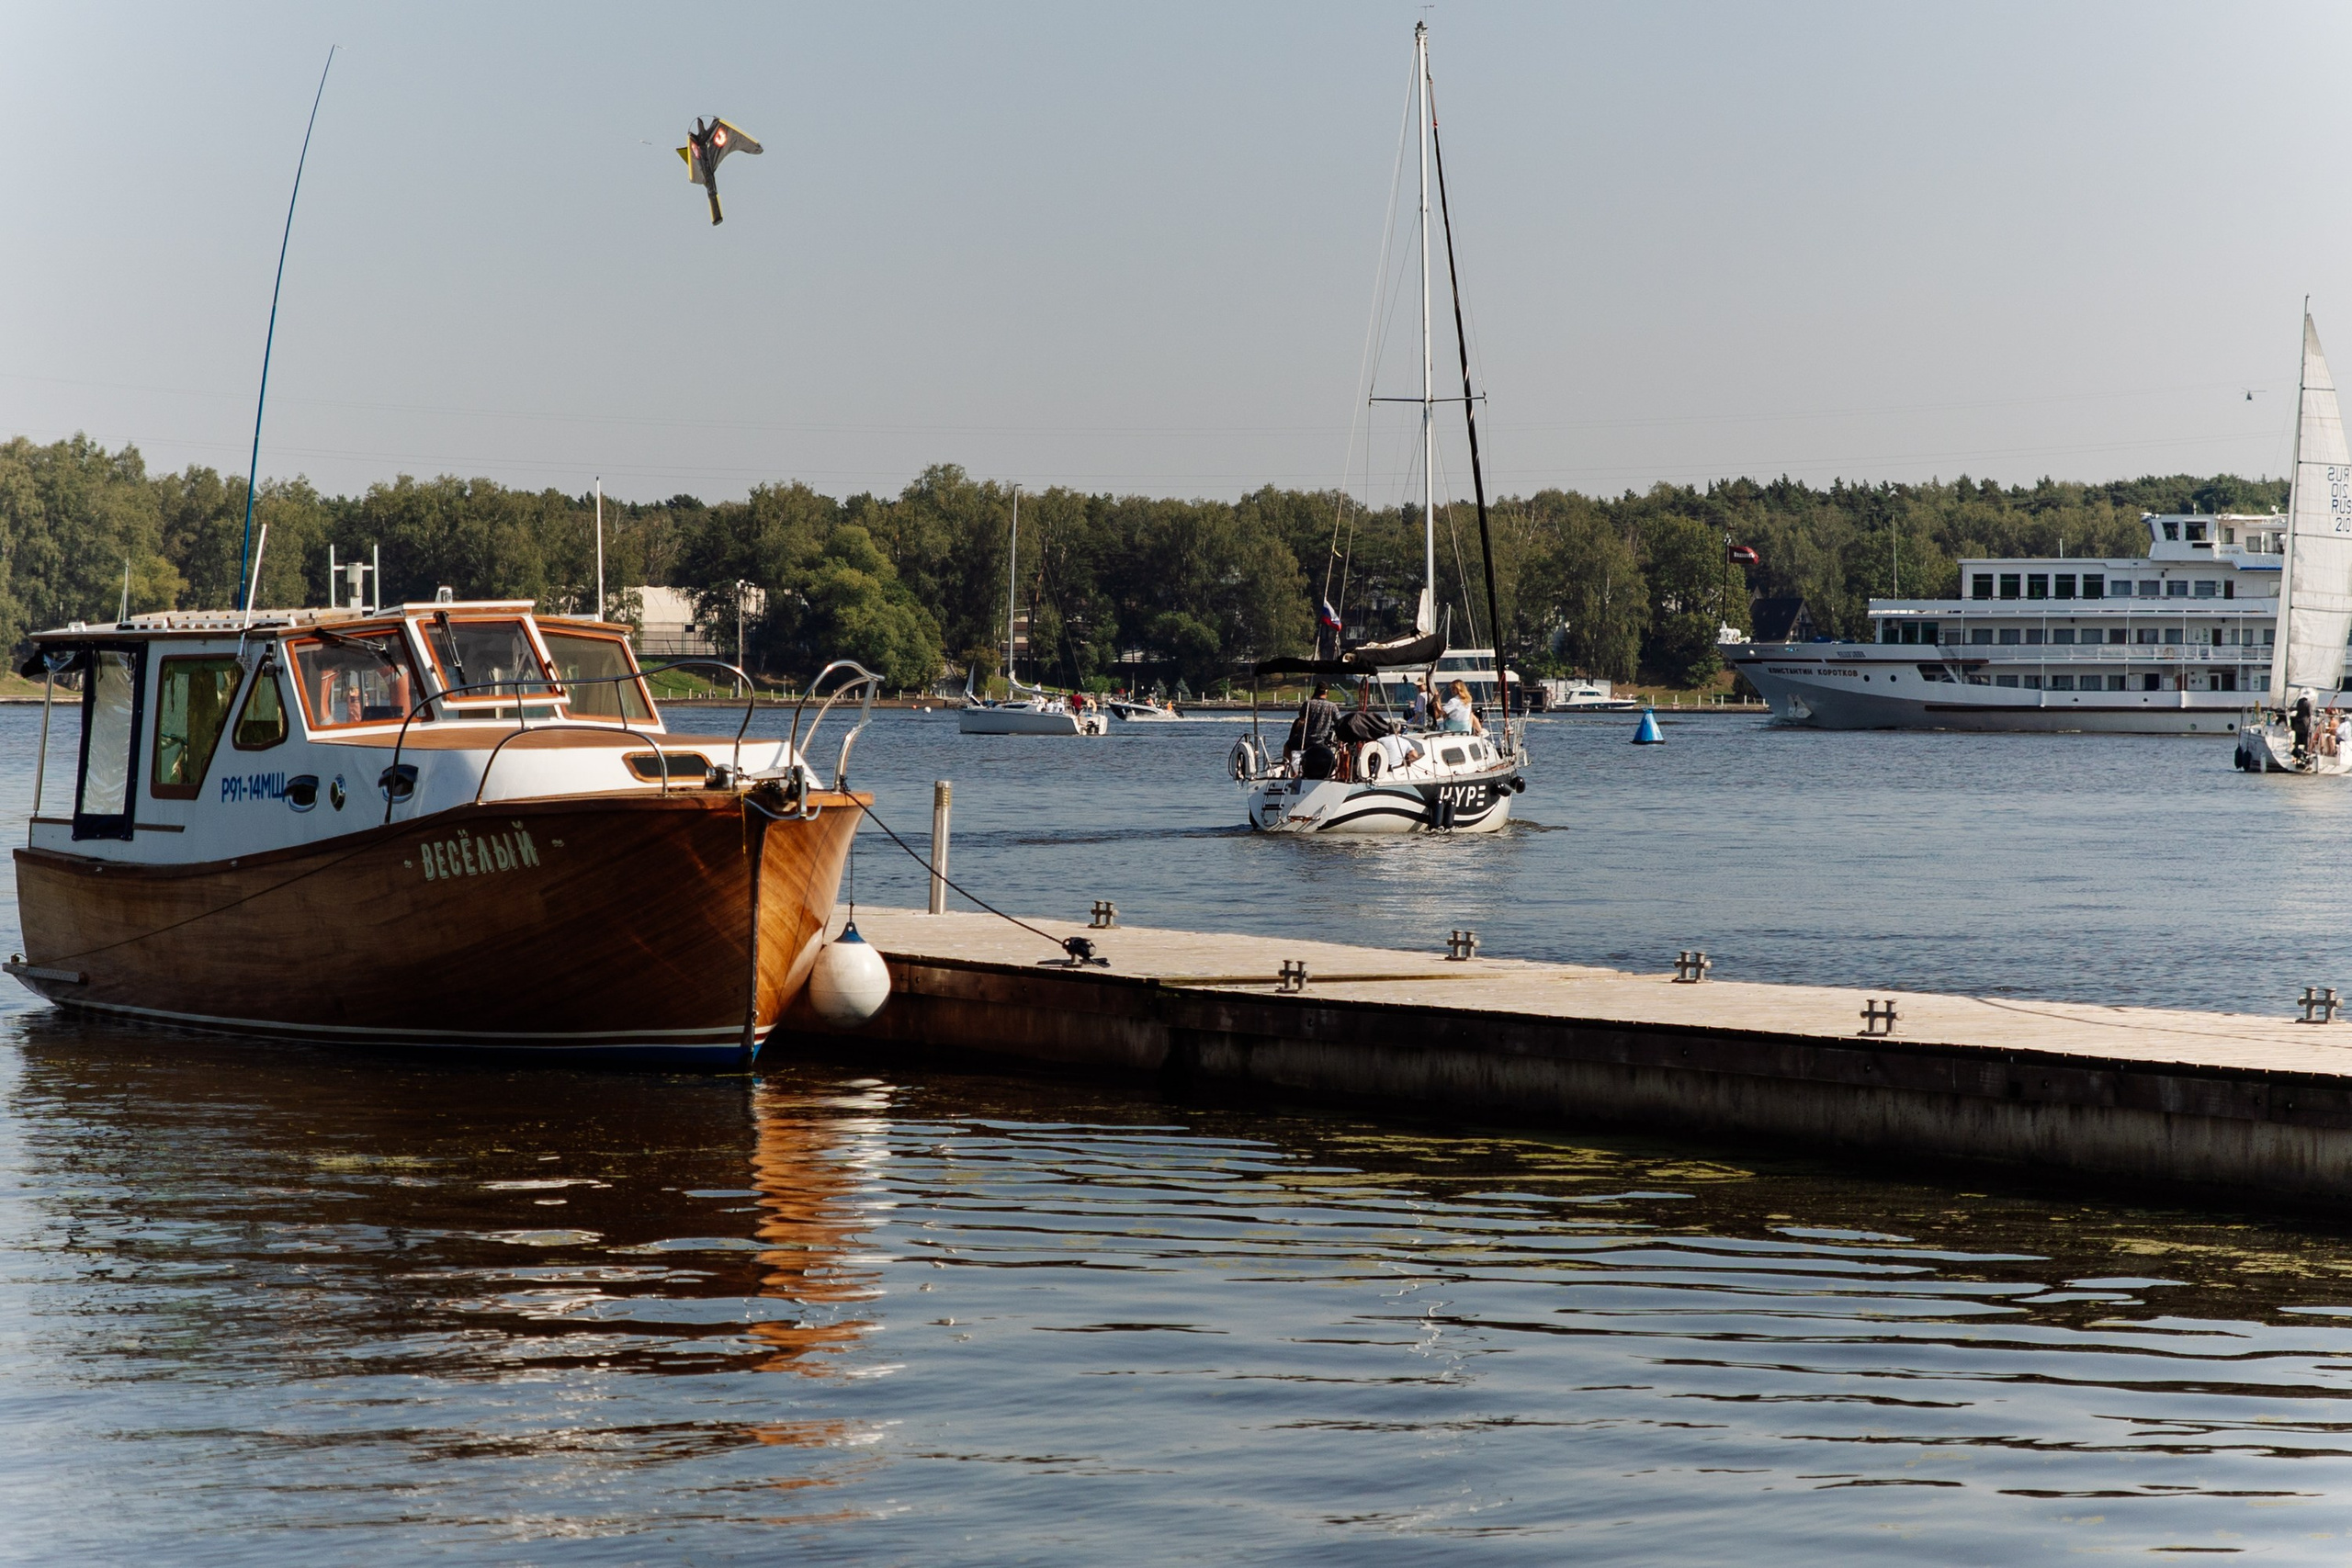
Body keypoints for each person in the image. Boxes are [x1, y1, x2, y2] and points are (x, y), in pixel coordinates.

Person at [1298, 680, 1343, 779]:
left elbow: (1301, 717)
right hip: (1322, 742)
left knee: (1287, 746)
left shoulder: (1308, 703)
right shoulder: (1332, 706)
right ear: (1327, 692)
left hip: (1306, 741)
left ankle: (1289, 770)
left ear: (1316, 691)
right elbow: (1339, 722)